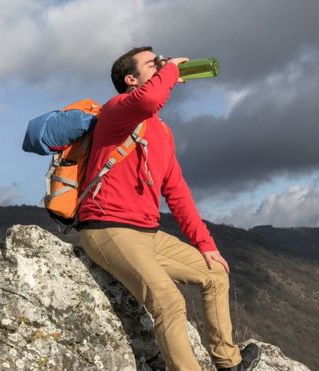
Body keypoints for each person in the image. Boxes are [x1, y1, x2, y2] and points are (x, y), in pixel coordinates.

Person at [76, 46, 261, 371]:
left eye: (162, 62)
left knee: (216, 273)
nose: (161, 65)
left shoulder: (161, 130)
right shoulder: (116, 109)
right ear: (131, 79)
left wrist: (205, 244)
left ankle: (228, 364)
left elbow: (176, 192)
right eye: (153, 63)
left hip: (148, 234)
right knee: (169, 301)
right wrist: (172, 70)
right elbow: (150, 99)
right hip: (107, 229)